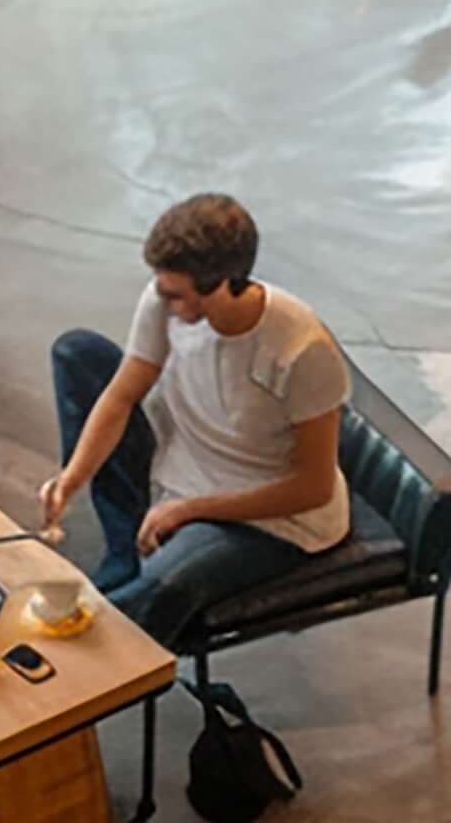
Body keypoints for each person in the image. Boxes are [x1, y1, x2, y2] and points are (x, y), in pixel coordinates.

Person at [39, 194, 351, 649]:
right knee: (78, 353)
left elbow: (313, 489)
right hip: (186, 468)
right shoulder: (165, 299)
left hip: (273, 521)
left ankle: (72, 681)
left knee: (147, 602)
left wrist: (189, 510)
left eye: (175, 295)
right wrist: (71, 479)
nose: (162, 301)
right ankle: (127, 553)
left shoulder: (302, 349)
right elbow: (123, 394)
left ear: (221, 284)